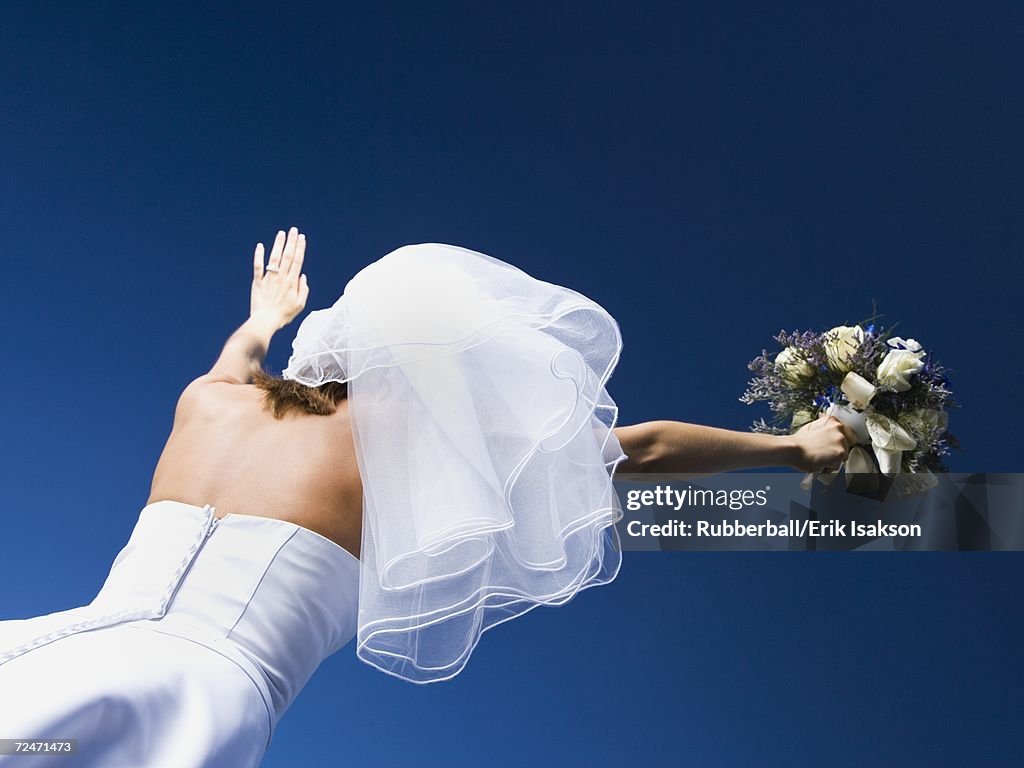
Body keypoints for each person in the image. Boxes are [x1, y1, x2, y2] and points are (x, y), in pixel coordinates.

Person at [0, 227, 855, 767]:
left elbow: (239, 354)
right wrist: (790, 446)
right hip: (197, 699)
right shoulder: (409, 453)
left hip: (56, 651)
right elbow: (647, 448)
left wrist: (266, 315)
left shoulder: (211, 399)